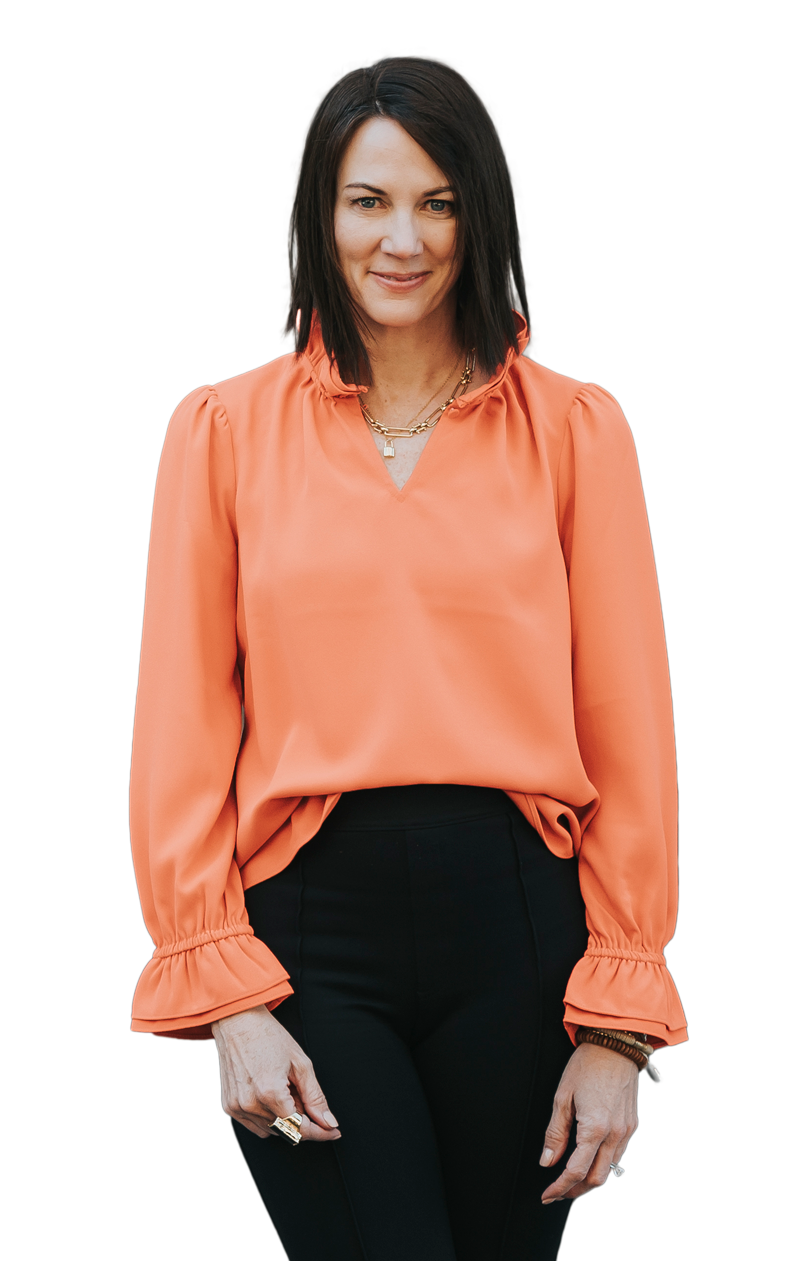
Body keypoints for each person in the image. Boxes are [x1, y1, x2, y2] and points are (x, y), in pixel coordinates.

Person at [130, 55, 687, 1261]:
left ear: (478, 216)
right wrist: (229, 997)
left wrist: (615, 1021)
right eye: (367, 200)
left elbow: (627, 730)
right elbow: (182, 729)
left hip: (519, 933)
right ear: (320, 216)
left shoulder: (573, 430)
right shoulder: (223, 432)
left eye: (437, 202)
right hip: (307, 937)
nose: (402, 238)